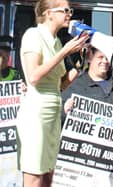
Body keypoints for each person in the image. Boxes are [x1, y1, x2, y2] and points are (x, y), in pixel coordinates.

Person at [15, 0, 89, 186]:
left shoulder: (56, 42)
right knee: (35, 177)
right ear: (48, 13)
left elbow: (59, 85)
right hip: (36, 114)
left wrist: (80, 64)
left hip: (53, 113)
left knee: (48, 175)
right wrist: (64, 52)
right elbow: (33, 77)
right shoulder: (33, 35)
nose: (69, 14)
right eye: (65, 10)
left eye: (69, 10)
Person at [62, 46, 113, 187]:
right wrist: (65, 109)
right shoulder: (77, 87)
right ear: (90, 58)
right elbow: (59, 118)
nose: (105, 61)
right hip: (89, 164)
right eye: (100, 57)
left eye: (108, 58)